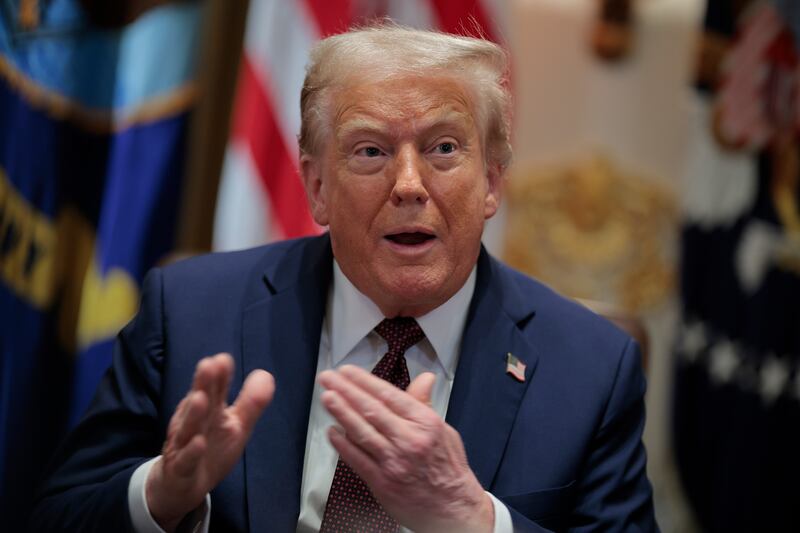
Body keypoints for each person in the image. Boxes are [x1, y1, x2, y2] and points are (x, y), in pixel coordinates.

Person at [32, 25, 657, 532]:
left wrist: (475, 521)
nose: (409, 185)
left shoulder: (591, 370)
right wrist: (161, 495)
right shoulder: (190, 314)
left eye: (444, 148)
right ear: (317, 188)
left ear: (492, 181)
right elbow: (56, 516)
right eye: (370, 151)